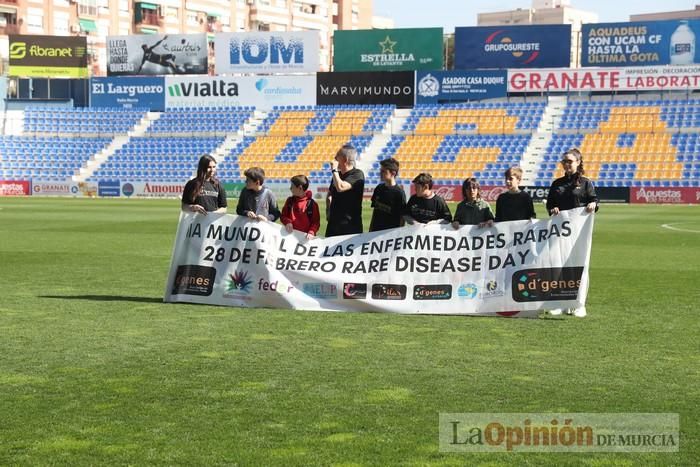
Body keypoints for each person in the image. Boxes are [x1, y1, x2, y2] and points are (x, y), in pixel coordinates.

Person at [546, 148, 599, 318]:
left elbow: (594, 200)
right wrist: (552, 208)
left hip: (579, 233)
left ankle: (579, 304)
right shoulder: (557, 184)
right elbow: (550, 204)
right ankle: (560, 303)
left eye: (570, 161)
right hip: (560, 232)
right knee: (559, 264)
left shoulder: (585, 182)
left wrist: (593, 205)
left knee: (579, 264)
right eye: (564, 161)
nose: (566, 164)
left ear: (578, 162)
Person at [326, 144, 365, 237]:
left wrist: (334, 170)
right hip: (333, 224)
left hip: (350, 226)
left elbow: (340, 187)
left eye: (337, 156)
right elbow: (330, 194)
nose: (334, 159)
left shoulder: (357, 174)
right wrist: (328, 211)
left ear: (345, 159)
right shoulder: (337, 175)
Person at [369, 158, 406, 232]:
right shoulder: (379, 188)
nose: (380, 173)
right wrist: (371, 229)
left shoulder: (399, 193)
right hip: (375, 232)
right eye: (380, 171)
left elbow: (402, 217)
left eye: (383, 171)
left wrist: (398, 234)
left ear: (393, 173)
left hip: (389, 235)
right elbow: (375, 211)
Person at [280, 174, 320, 239]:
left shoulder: (312, 204)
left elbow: (316, 222)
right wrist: (287, 222)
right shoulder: (289, 201)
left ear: (300, 188)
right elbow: (283, 216)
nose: (290, 188)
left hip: (305, 240)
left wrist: (311, 232)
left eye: (292, 186)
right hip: (290, 238)